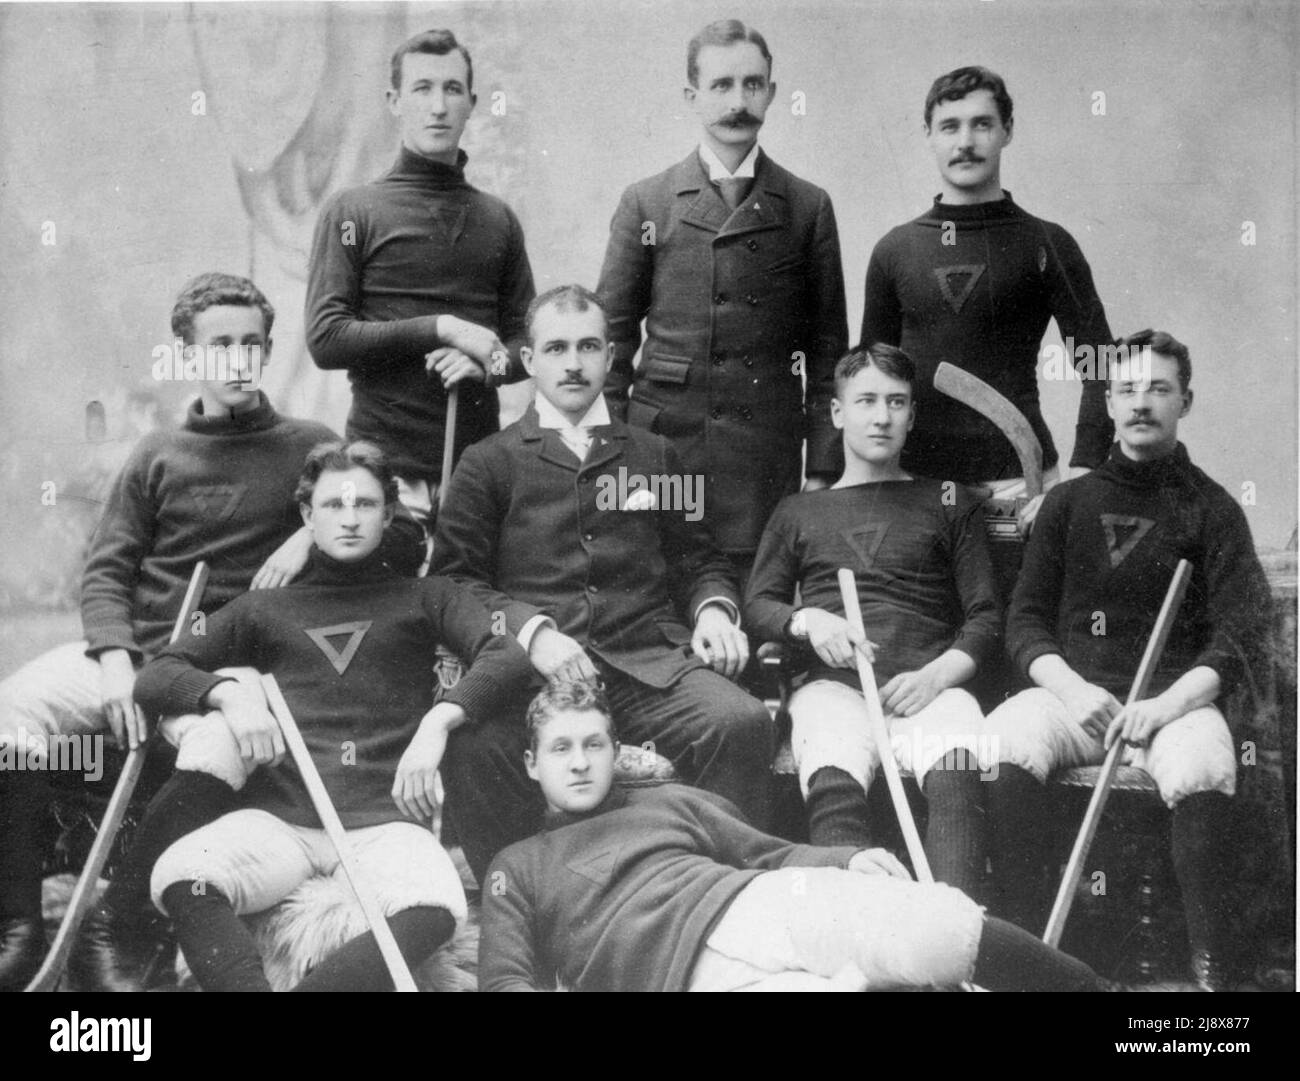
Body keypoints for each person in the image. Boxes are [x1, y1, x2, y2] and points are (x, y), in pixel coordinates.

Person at [0, 273, 418, 992]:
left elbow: (400, 532)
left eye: (252, 345)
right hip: (142, 649)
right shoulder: (156, 453)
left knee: (227, 742)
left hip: (235, 668)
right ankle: (18, 920)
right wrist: (112, 657)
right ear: (187, 354)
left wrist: (308, 540)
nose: (237, 360)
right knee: (14, 708)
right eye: (219, 345)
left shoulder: (310, 445)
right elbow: (106, 572)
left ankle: (117, 920)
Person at [130, 441, 532, 992]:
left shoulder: (427, 595)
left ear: (388, 514)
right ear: (306, 515)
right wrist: (227, 694)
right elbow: (157, 673)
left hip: (384, 825)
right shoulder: (261, 608)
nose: (349, 520)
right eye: (334, 506)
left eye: (364, 505)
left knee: (438, 905)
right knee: (182, 874)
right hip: (280, 824)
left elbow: (506, 650)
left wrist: (440, 721)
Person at [478, 680, 1165, 992]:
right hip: (684, 979)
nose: (578, 760)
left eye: (593, 743)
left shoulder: (667, 799)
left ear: (613, 747)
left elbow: (766, 852)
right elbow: (505, 978)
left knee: (934, 927)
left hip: (755, 900)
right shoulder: (517, 864)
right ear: (532, 761)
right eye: (561, 747)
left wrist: (844, 855)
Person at [431, 284, 772, 881]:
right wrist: (532, 634)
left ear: (610, 357)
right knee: (474, 746)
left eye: (588, 346)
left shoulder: (656, 455)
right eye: (556, 348)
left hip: (649, 663)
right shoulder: (489, 462)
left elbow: (699, 561)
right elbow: (453, 583)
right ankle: (523, 896)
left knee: (739, 723)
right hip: (535, 675)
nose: (572, 363)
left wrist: (714, 611)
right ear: (529, 361)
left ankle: (709, 887)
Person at [983, 331, 1272, 990]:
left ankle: (1208, 974)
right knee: (1003, 740)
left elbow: (1239, 637)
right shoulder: (1067, 503)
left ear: (1185, 401)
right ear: (1109, 402)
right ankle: (1031, 951)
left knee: (1203, 761)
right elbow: (1024, 622)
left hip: (1173, 704)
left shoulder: (1214, 509)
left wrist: (1165, 707)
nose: (1142, 403)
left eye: (1159, 389)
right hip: (1075, 697)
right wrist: (1074, 691)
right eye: (1128, 389)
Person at [745, 344, 1003, 898]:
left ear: (912, 415)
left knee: (958, 766)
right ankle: (857, 933)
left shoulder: (949, 500)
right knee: (832, 763)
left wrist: (935, 678)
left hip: (929, 687)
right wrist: (809, 621)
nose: (881, 416)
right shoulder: (798, 511)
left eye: (896, 402)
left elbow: (985, 618)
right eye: (865, 401)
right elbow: (758, 606)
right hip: (833, 689)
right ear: (838, 413)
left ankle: (948, 936)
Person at [596, 18, 848, 579]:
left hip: (763, 454)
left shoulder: (807, 207)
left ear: (773, 93)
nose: (739, 101)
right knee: (662, 596)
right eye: (721, 85)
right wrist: (615, 453)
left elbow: (829, 353)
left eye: (753, 85)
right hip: (662, 448)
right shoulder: (647, 203)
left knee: (756, 616)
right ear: (691, 96)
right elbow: (608, 344)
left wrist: (824, 467)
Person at [305, 28, 536, 545]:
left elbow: (528, 347)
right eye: (422, 89)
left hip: (476, 468)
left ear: (472, 103)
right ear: (394, 101)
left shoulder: (497, 219)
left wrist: (486, 365)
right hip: (381, 470)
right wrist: (443, 328)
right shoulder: (354, 211)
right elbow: (326, 337)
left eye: (453, 90)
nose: (438, 106)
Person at [860, 66, 1116, 502]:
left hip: (1019, 482)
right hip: (912, 482)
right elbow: (869, 378)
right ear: (928, 135)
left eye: (982, 124)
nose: (965, 142)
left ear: (1007, 131)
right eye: (949, 127)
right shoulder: (894, 250)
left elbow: (1100, 363)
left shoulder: (1046, 242)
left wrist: (1085, 470)